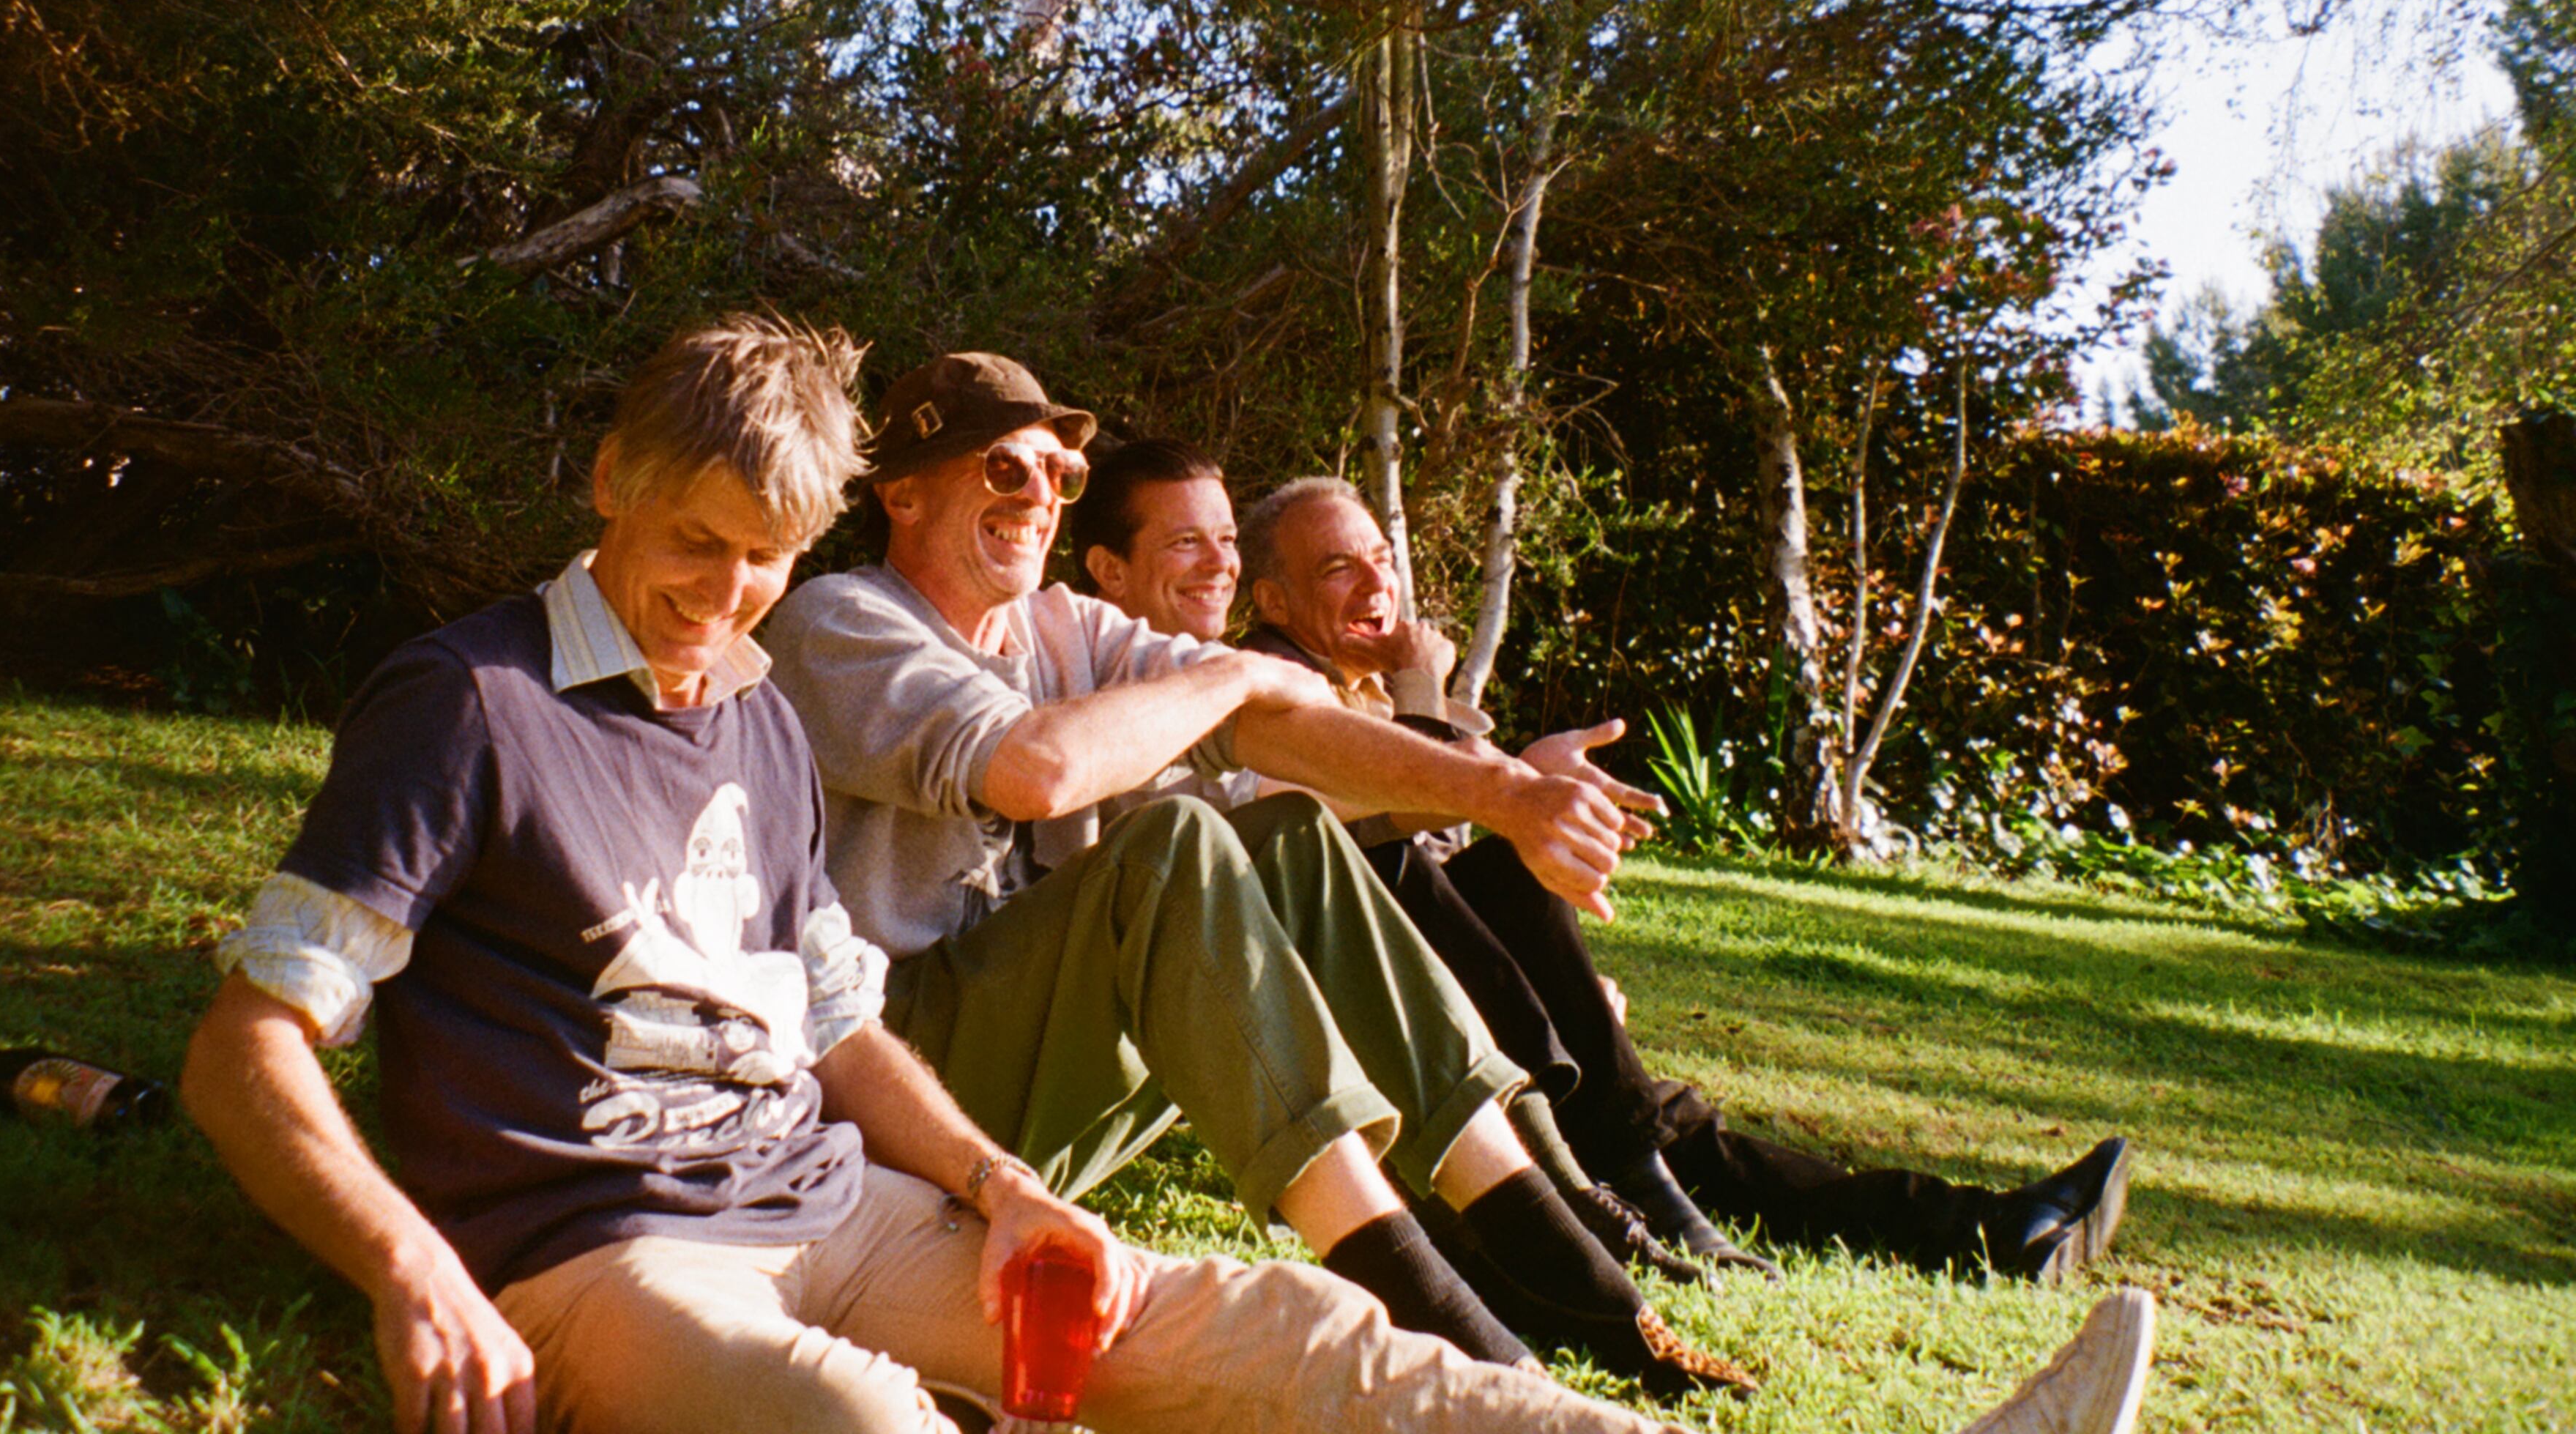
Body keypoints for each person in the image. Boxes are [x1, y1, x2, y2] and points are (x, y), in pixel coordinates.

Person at [176, 317, 1730, 1434]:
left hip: (838, 1194)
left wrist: (1003, 1185)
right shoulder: (477, 702)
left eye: (764, 557)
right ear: (607, 480)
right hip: (612, 1244)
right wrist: (412, 1267)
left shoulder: (760, 714)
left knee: (1273, 1330)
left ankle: (1558, 1366)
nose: (724, 601)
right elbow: (249, 1043)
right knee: (853, 1421)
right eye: (695, 543)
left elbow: (838, 1029)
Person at [1074, 442, 2133, 1288]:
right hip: (1302, 1004)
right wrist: (1444, 731)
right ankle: (1643, 1178)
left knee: (1667, 1124)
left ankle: (1980, 1227)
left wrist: (1486, 768)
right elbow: (1307, 832)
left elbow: (1418, 830)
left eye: (1379, 558)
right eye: (1335, 567)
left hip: (1419, 997)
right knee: (1502, 929)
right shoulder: (1198, 683)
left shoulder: (1300, 682)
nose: (1374, 584)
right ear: (1274, 598)